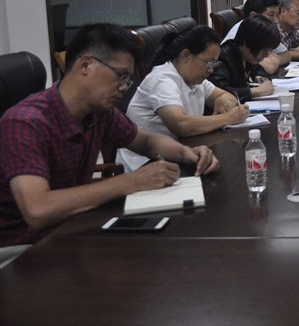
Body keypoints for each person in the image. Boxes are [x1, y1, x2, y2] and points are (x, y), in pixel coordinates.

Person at [0, 24, 219, 251]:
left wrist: (186, 153)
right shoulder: (24, 123)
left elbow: (146, 141)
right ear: (86, 65)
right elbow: (38, 210)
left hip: (71, 227)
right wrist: (132, 181)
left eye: (128, 79)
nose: (124, 88)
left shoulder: (98, 112)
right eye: (121, 76)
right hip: (21, 248)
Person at [119, 26, 249, 172]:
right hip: (144, 164)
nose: (211, 69)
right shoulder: (162, 80)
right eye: (208, 62)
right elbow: (180, 124)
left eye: (214, 63)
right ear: (186, 55)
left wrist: (221, 101)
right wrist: (228, 118)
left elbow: (227, 96)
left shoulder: (195, 79)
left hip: (180, 153)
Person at [209, 14, 281, 104]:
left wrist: (258, 77)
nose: (266, 55)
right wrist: (256, 91)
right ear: (247, 42)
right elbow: (219, 92)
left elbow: (259, 69)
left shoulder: (247, 56)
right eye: (264, 50)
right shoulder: (222, 58)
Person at [223, 0, 288, 73]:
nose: (276, 20)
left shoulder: (264, 32)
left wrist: (274, 59)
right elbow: (270, 68)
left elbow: (287, 55)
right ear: (253, 16)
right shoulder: (240, 33)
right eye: (271, 15)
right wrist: (274, 57)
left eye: (277, 15)